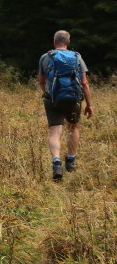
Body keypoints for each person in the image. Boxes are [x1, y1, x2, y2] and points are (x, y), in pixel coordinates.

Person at [38, 30, 93, 181]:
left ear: (54, 41)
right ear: (68, 42)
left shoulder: (45, 57)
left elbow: (42, 82)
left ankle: (56, 163)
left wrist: (48, 93)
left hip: (52, 99)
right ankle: (70, 161)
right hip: (73, 98)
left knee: (55, 132)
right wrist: (89, 104)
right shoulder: (77, 56)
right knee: (73, 127)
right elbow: (84, 83)